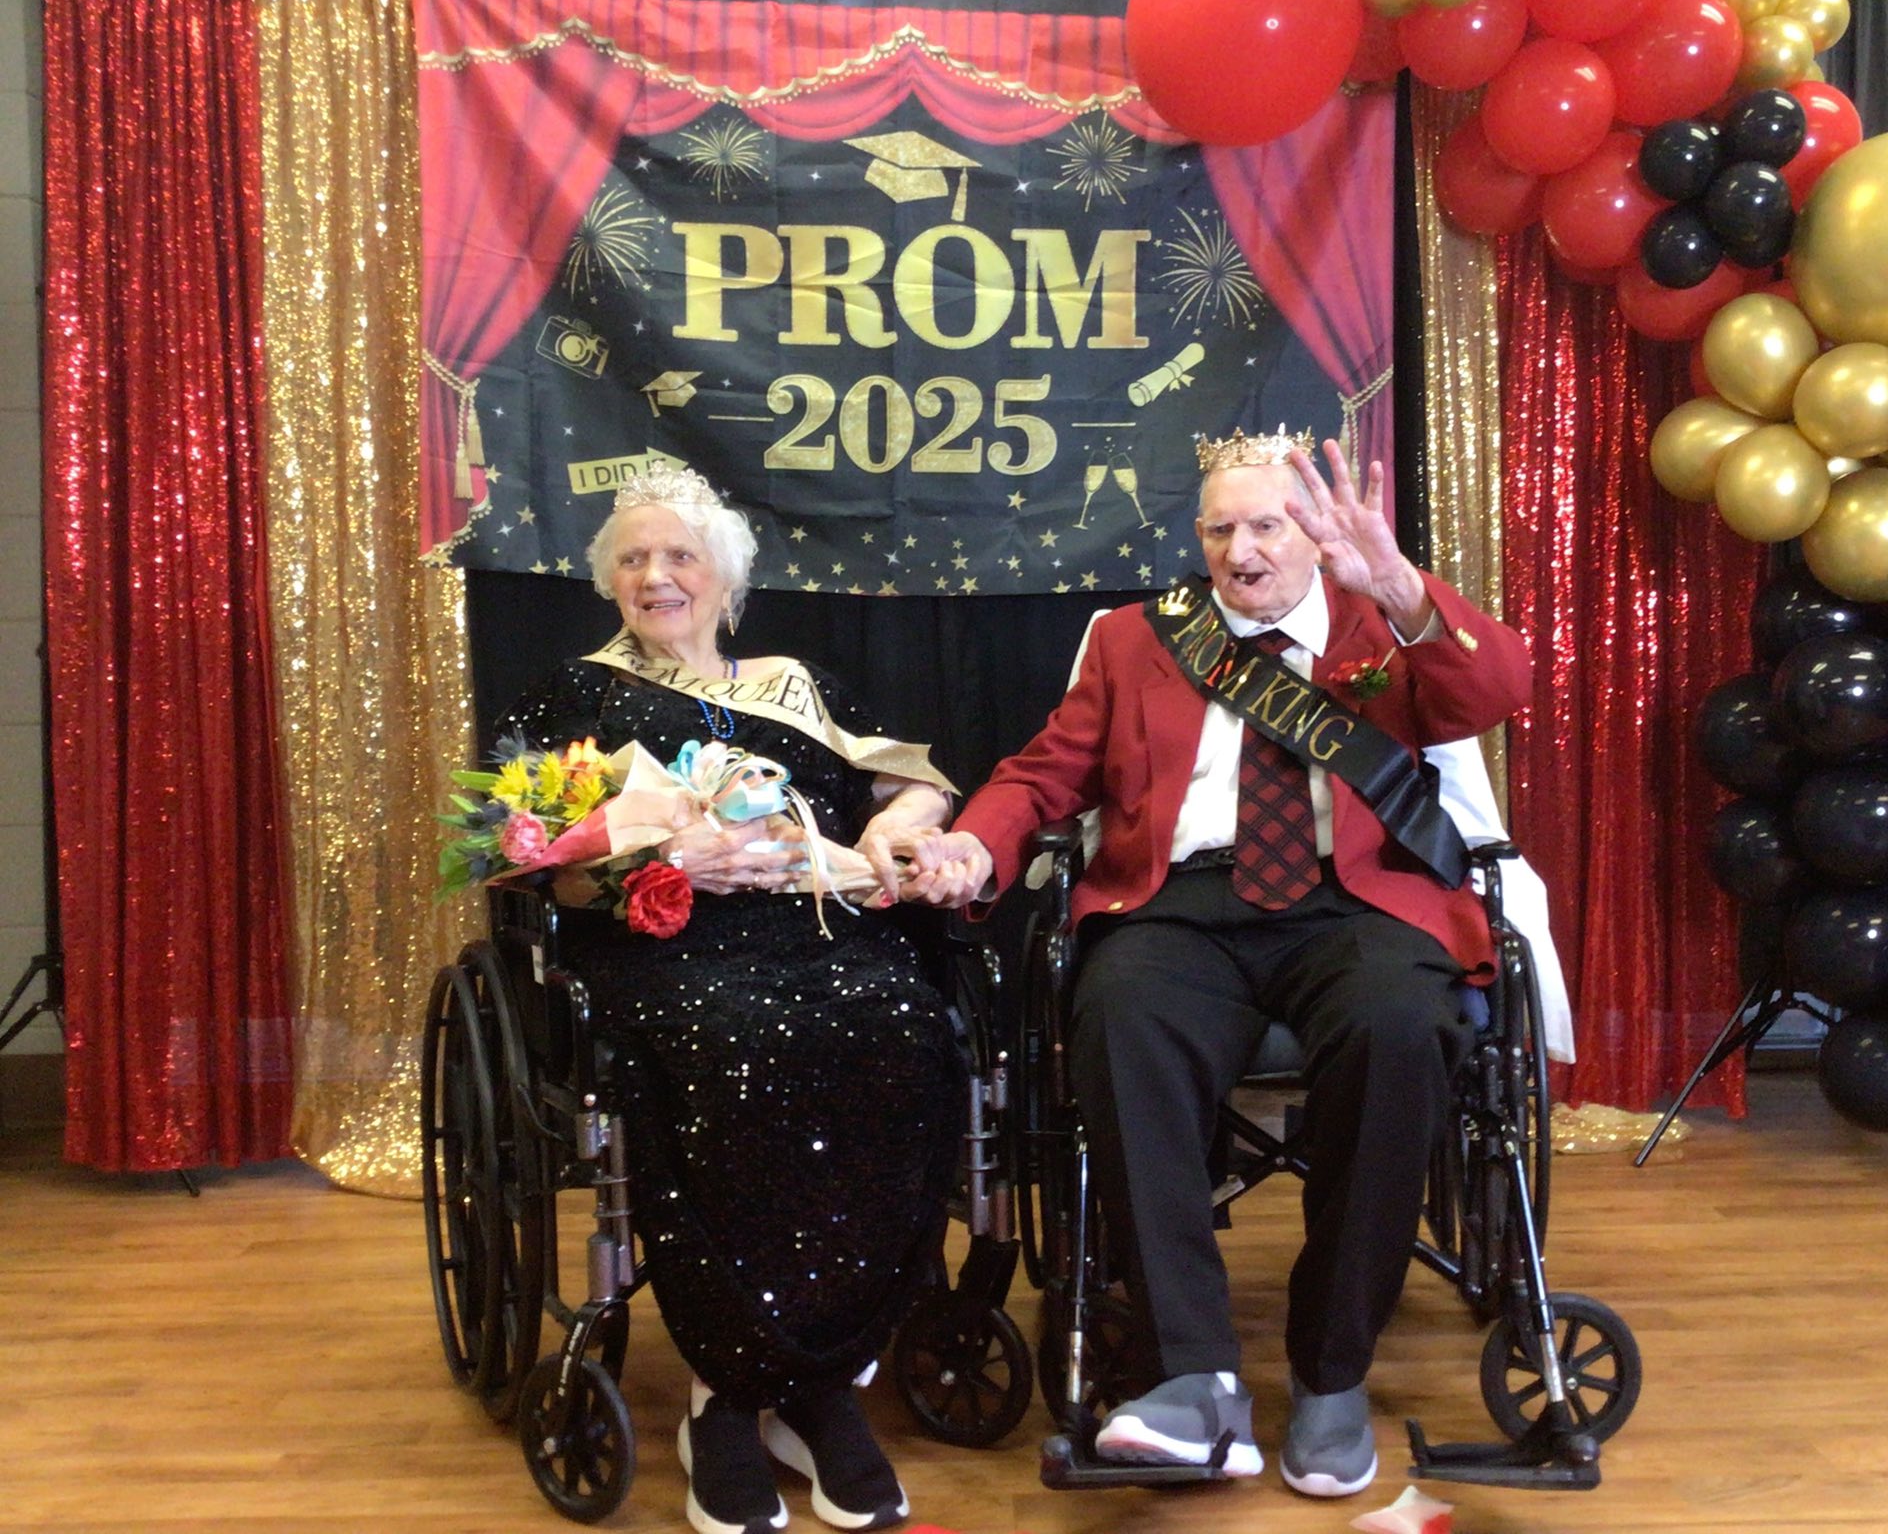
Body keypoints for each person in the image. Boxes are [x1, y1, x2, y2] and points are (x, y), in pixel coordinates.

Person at [908, 427, 1533, 1499]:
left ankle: (1331, 1370)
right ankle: (1191, 1376)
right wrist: (978, 841)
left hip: (1355, 902)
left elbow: (1495, 691)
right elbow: (1045, 773)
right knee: (1119, 1018)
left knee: (1398, 1027)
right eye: (1219, 530)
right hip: (1178, 905)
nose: (1241, 552)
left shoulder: (1379, 621)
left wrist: (1399, 585)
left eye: (1266, 526)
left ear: (1313, 533)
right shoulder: (1134, 641)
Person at [496, 461, 963, 1534]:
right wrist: (656, 860)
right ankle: (727, 1393)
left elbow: (912, 778)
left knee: (902, 1027)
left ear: (726, 579)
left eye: (679, 556)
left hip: (820, 929)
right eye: (632, 559)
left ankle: (818, 1377)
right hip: (663, 946)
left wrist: (897, 824)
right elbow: (530, 864)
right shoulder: (573, 694)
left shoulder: (800, 683)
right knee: (736, 1047)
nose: (655, 576)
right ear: (609, 581)